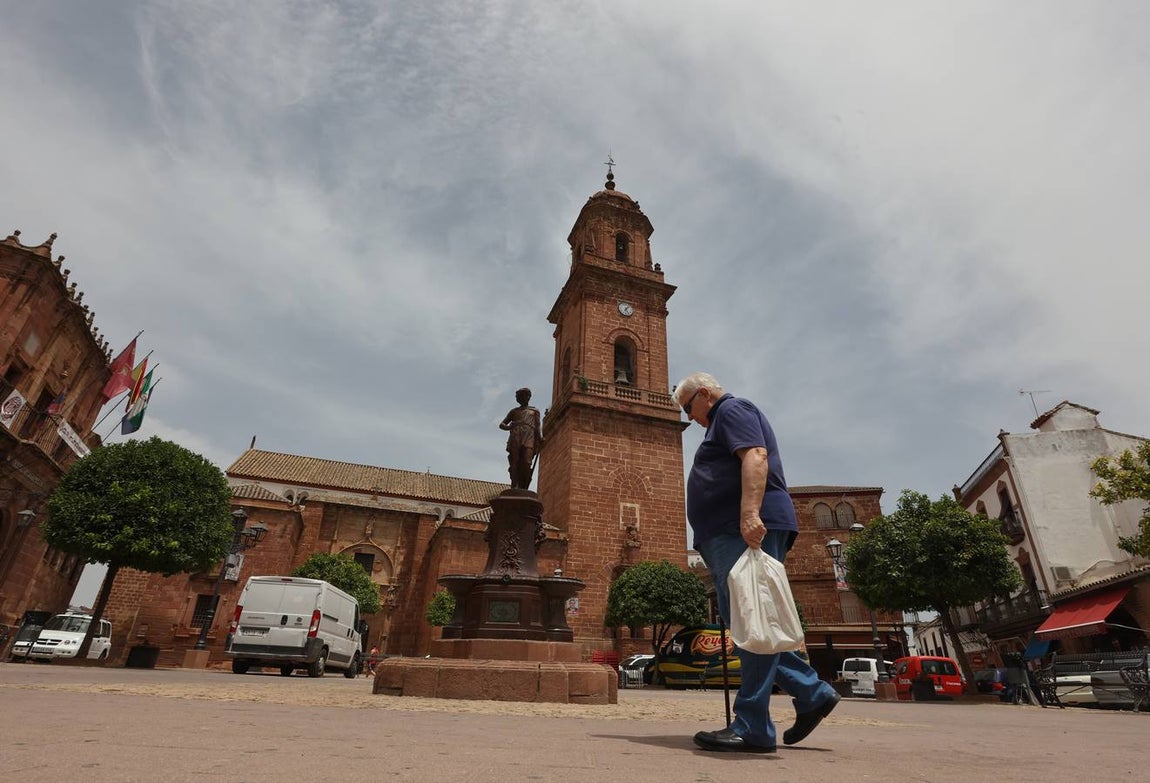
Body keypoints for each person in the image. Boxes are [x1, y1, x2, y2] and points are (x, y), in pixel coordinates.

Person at [673, 372, 840, 754]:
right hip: (729, 532)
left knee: (752, 621)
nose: (689, 416)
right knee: (751, 625)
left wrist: (749, 514)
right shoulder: (721, 419)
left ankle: (752, 726)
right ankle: (812, 693)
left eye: (688, 407)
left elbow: (756, 455)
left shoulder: (731, 409)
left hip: (739, 530)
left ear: (703, 394)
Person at [499, 387, 543, 490]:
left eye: (526, 396)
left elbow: (537, 426)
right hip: (516, 436)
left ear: (529, 397)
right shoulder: (514, 411)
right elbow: (502, 424)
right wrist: (510, 427)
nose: (524, 398)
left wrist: (540, 438)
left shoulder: (534, 411)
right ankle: (515, 485)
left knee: (527, 462)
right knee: (515, 462)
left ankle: (524, 485)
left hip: (529, 437)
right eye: (521, 396)